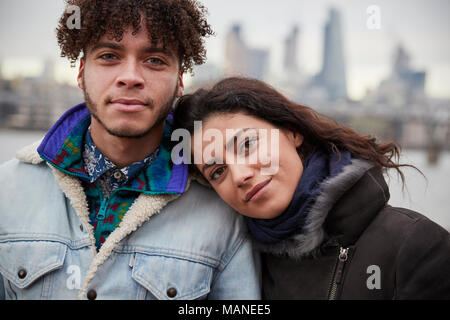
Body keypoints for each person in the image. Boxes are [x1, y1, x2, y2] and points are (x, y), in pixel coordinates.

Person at [0, 1, 260, 300]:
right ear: (82, 71)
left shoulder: (223, 210)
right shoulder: (7, 188)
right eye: (109, 56)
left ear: (179, 81)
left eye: (155, 60)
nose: (130, 76)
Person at [173, 77, 450, 299]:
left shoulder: (415, 245)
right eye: (218, 171)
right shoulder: (240, 267)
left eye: (247, 145)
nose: (240, 175)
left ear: (292, 132)